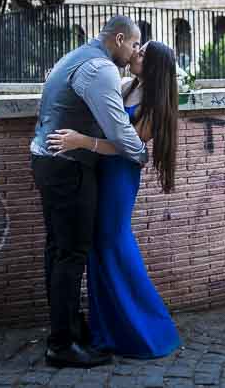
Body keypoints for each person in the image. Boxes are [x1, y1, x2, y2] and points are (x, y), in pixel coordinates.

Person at [46, 40, 181, 360]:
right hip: (99, 170)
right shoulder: (125, 85)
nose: (136, 54)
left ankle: (147, 329)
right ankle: (107, 330)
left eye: (143, 53)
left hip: (119, 176)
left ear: (154, 65)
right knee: (96, 246)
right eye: (138, 49)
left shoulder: (155, 102)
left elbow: (127, 146)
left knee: (113, 243)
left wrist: (81, 141)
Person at [29, 16, 148, 368]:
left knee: (58, 250)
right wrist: (141, 154)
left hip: (48, 161)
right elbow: (119, 128)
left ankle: (68, 329)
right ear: (120, 38)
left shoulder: (77, 56)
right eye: (133, 44)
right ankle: (61, 345)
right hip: (69, 167)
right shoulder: (100, 69)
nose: (134, 51)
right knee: (71, 254)